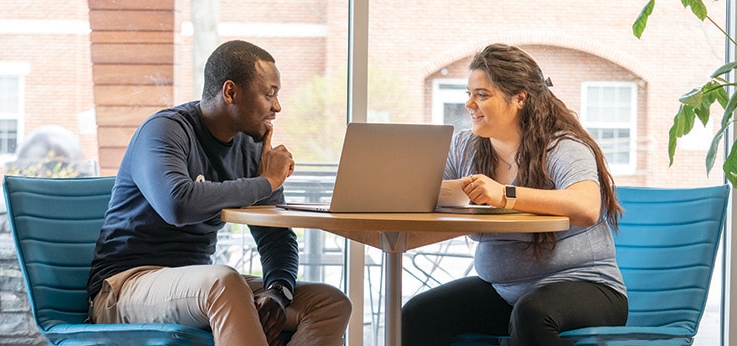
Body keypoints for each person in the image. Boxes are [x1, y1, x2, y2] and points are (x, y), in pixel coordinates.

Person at [86, 40, 352, 346]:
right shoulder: (164, 130)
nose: (277, 107)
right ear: (230, 92)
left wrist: (278, 290)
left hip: (198, 286)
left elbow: (275, 236)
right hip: (125, 286)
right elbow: (177, 204)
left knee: (329, 302)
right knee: (224, 281)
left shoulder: (251, 151)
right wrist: (267, 182)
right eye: (269, 94)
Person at [401, 43, 628, 345]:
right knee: (417, 314)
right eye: (468, 94)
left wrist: (504, 194)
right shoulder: (464, 147)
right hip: (505, 292)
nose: (470, 104)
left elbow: (586, 207)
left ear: (519, 98)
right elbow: (424, 197)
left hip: (588, 287)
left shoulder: (562, 147)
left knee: (531, 313)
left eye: (482, 95)